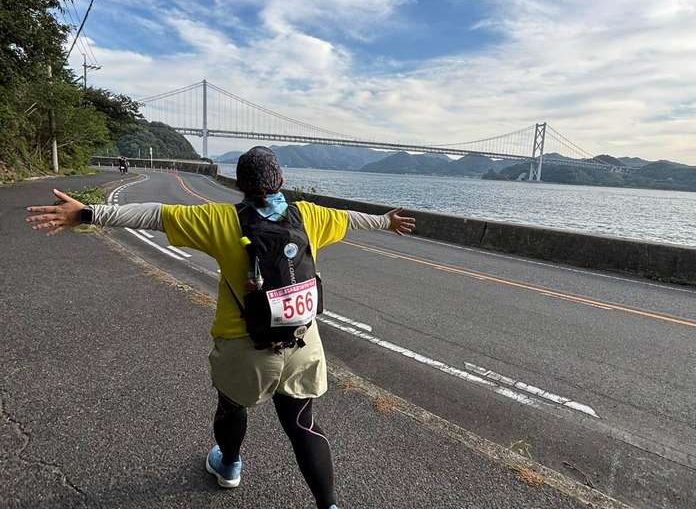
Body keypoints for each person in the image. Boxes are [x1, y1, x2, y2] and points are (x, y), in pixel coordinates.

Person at [26, 146, 415, 509]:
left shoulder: (219, 219)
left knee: (232, 407)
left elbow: (151, 215)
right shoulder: (310, 216)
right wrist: (386, 220)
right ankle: (328, 506)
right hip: (302, 343)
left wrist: (87, 213)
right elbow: (352, 218)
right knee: (302, 423)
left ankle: (228, 466)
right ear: (280, 180)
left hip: (245, 348)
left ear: (240, 184)